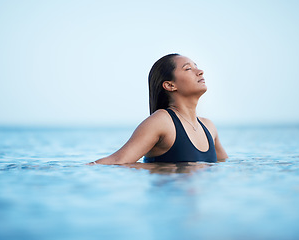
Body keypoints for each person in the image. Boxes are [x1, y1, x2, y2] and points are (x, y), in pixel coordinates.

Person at [90, 53, 228, 165]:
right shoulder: (162, 121)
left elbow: (225, 165)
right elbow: (118, 161)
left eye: (196, 67)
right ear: (170, 85)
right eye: (188, 69)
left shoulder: (209, 127)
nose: (200, 72)